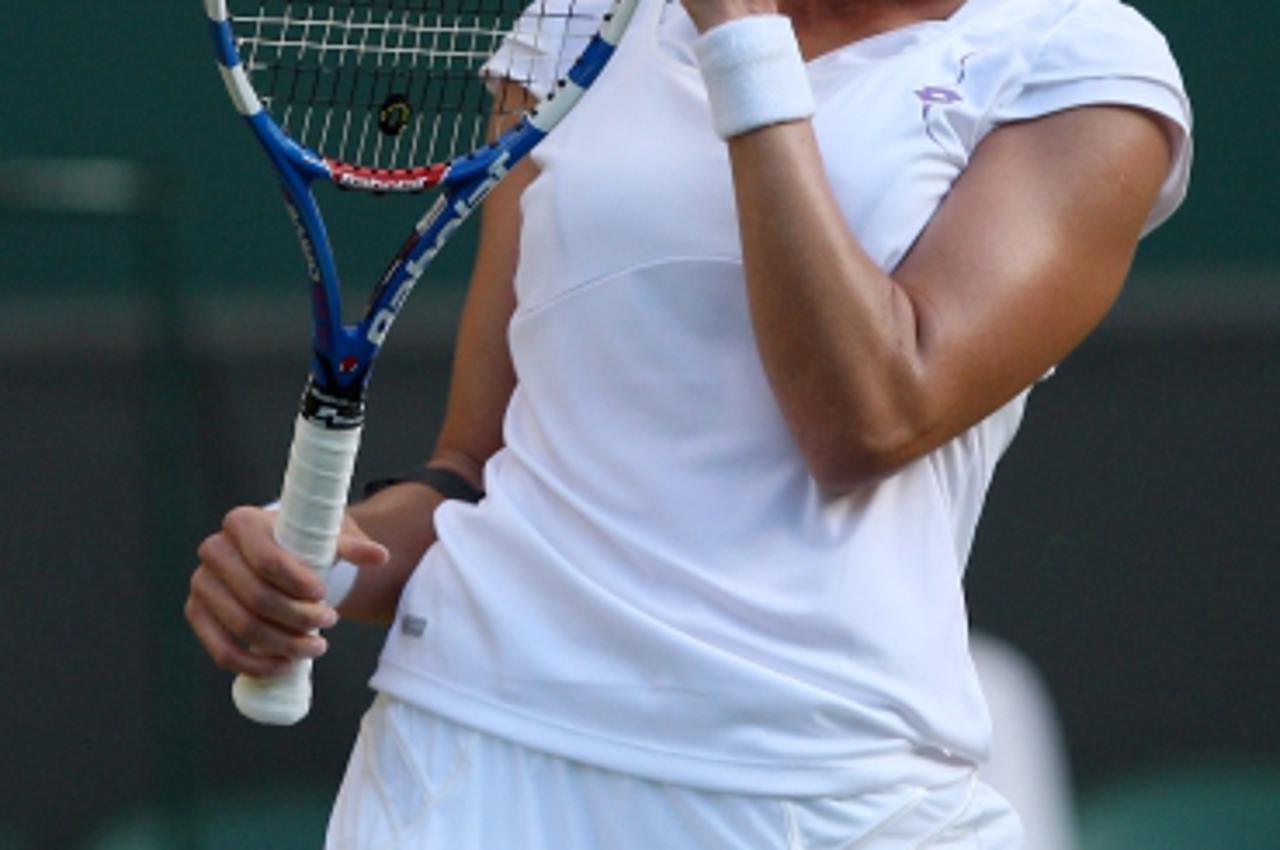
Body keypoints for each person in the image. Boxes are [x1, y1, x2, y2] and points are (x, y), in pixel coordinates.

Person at [185, 0, 1192, 845]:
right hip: (464, 761)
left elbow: (870, 416)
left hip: (818, 788)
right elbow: (474, 471)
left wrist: (741, 42)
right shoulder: (580, 22)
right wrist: (316, 562)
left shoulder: (1080, 65)